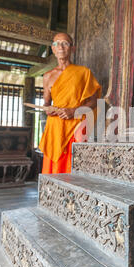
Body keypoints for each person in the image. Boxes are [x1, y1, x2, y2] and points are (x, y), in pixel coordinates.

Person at [39, 32, 101, 174]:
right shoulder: (48, 76)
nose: (60, 46)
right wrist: (47, 109)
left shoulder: (83, 72)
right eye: (56, 44)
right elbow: (46, 102)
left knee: (73, 166)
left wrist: (74, 111)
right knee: (53, 168)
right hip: (55, 127)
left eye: (65, 43)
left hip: (76, 125)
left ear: (72, 48)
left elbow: (94, 100)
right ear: (53, 49)